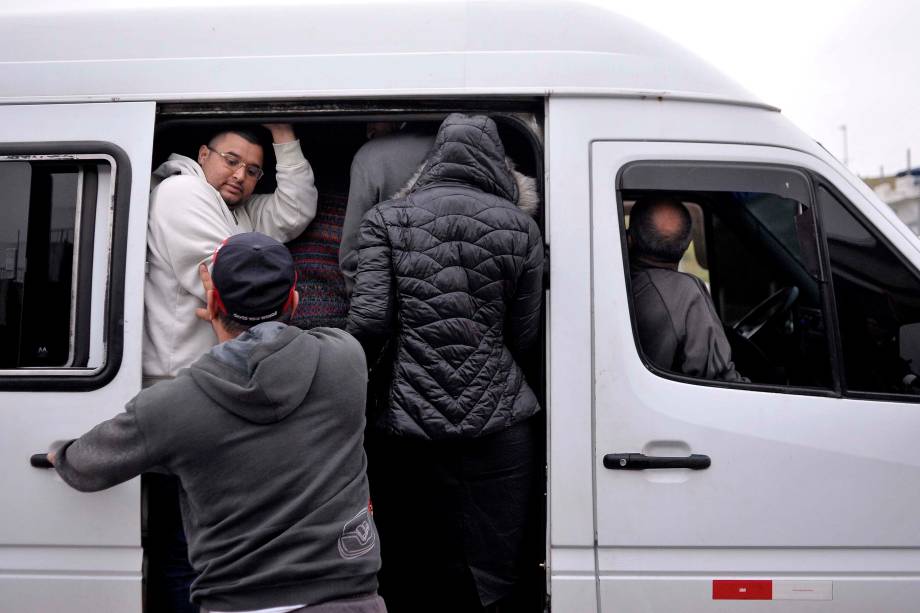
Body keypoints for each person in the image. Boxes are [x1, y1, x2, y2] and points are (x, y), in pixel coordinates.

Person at [47, 232, 385, 613]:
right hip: (352, 601)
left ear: (210, 301)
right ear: (294, 301)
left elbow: (82, 467)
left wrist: (57, 452)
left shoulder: (170, 408)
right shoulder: (347, 359)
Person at [347, 113, 543, 612]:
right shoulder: (522, 228)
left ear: (434, 160)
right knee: (494, 568)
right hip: (502, 426)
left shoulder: (387, 220)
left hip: (409, 422)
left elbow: (370, 321)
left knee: (412, 559)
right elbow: (525, 334)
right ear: (499, 166)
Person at [144, 123, 318, 382]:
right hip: (178, 379)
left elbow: (295, 210)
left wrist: (282, 133)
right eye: (231, 161)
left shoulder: (238, 211)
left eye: (251, 171)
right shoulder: (182, 190)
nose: (239, 176)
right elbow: (236, 283)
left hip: (210, 374)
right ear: (203, 155)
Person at [628, 194, 746, 382]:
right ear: (688, 244)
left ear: (630, 239)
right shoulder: (685, 292)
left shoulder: (619, 285)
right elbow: (720, 379)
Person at [338, 122, 435, 298]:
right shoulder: (485, 154)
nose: (369, 131)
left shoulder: (371, 156)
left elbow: (353, 258)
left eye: (373, 118)